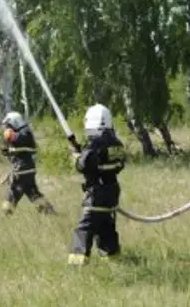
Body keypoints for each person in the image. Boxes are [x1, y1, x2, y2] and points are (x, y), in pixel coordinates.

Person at [67, 103, 126, 266]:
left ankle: (76, 262)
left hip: (97, 193)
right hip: (112, 192)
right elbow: (115, 164)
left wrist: (76, 158)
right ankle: (113, 259)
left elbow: (84, 165)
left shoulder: (95, 143)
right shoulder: (117, 143)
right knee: (106, 228)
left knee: (85, 228)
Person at [0, 111, 56, 215]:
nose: (7, 128)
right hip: (29, 169)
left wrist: (6, 140)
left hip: (21, 170)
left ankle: (6, 218)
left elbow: (8, 138)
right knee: (33, 193)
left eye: (8, 125)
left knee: (11, 197)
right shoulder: (27, 134)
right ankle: (50, 213)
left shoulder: (18, 135)